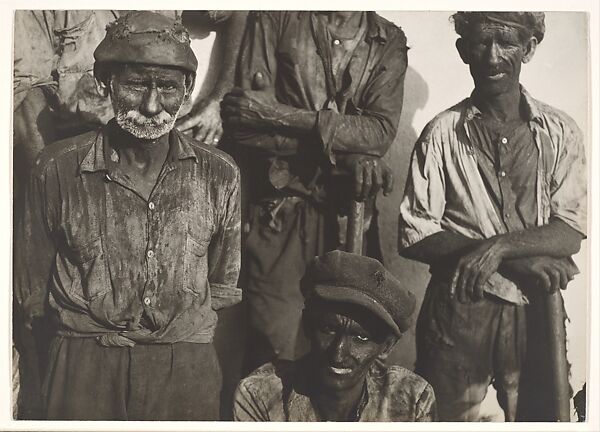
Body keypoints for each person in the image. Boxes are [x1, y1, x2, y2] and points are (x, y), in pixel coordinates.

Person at [12, 10, 247, 418]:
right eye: (136, 85)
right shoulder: (56, 169)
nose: (153, 105)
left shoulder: (220, 173)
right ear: (107, 85)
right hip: (82, 368)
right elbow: (31, 297)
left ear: (188, 89)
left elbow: (222, 287)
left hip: (185, 371)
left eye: (168, 87)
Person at [398, 12, 586, 421]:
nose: (493, 56)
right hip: (460, 305)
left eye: (507, 42)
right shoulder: (442, 133)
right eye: (481, 42)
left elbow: (570, 230)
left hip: (536, 306)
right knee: (444, 418)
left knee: (544, 416)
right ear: (463, 50)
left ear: (530, 48)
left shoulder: (559, 131)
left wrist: (498, 249)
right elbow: (415, 233)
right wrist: (516, 257)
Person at [221, 11, 408, 368]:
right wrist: (349, 155)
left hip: (349, 216)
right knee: (273, 352)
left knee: (345, 354)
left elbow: (380, 134)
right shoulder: (278, 16)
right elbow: (245, 123)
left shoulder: (388, 40)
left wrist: (285, 117)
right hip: (281, 212)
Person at [233, 250, 436, 421]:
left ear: (387, 346)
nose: (338, 354)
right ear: (307, 325)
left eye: (360, 338)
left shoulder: (412, 401)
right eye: (328, 329)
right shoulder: (261, 395)